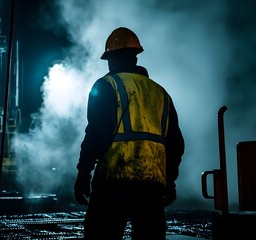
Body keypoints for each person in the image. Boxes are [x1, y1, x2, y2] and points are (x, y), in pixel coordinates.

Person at [74, 27, 185, 240]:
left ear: (111, 59)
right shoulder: (160, 93)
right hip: (152, 185)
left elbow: (96, 134)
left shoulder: (105, 86)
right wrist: (170, 181)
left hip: (114, 181)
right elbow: (175, 144)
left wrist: (83, 172)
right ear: (135, 57)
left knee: (100, 236)